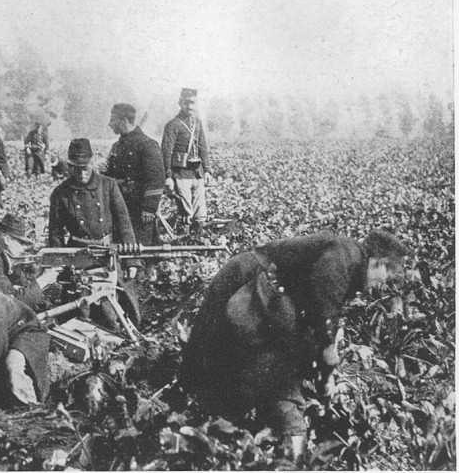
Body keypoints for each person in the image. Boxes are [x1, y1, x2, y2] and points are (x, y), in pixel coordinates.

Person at [181, 229, 410, 460]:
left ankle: (210, 403)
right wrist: (328, 351)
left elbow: (315, 310)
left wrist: (323, 369)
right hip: (245, 277)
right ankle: (191, 404)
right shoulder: (345, 255)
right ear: (378, 263)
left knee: (236, 355)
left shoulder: (349, 261)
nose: (381, 285)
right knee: (211, 343)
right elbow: (324, 302)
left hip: (262, 291)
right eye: (387, 276)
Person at [47, 138, 141, 325]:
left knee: (116, 312)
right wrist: (55, 263)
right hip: (78, 255)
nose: (81, 172)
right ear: (69, 166)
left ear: (92, 163)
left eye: (85, 167)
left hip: (107, 253)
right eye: (76, 167)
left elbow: (124, 224)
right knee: (78, 310)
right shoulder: (60, 193)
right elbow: (55, 233)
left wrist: (132, 260)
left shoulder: (108, 185)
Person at [102, 103, 166, 246]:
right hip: (120, 207)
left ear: (124, 120)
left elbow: (156, 179)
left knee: (141, 248)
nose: (110, 124)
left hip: (139, 210)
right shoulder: (117, 147)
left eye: (113, 120)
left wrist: (149, 208)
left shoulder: (147, 145)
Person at [161, 88, 212, 233]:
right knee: (185, 212)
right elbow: (166, 152)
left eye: (192, 103)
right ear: (180, 103)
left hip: (197, 173)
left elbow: (202, 146)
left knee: (200, 213)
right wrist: (168, 176)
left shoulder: (198, 123)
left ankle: (200, 239)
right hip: (180, 174)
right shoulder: (173, 124)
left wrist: (207, 170)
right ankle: (184, 240)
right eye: (186, 103)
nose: (190, 107)